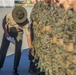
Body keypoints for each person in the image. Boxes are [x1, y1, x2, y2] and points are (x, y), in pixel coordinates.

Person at [0, 6, 32, 75]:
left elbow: (28, 35)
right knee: (2, 49)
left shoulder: (26, 23)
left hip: (18, 33)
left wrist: (30, 48)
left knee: (18, 50)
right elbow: (4, 21)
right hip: (8, 30)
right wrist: (6, 32)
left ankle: (15, 69)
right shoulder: (10, 14)